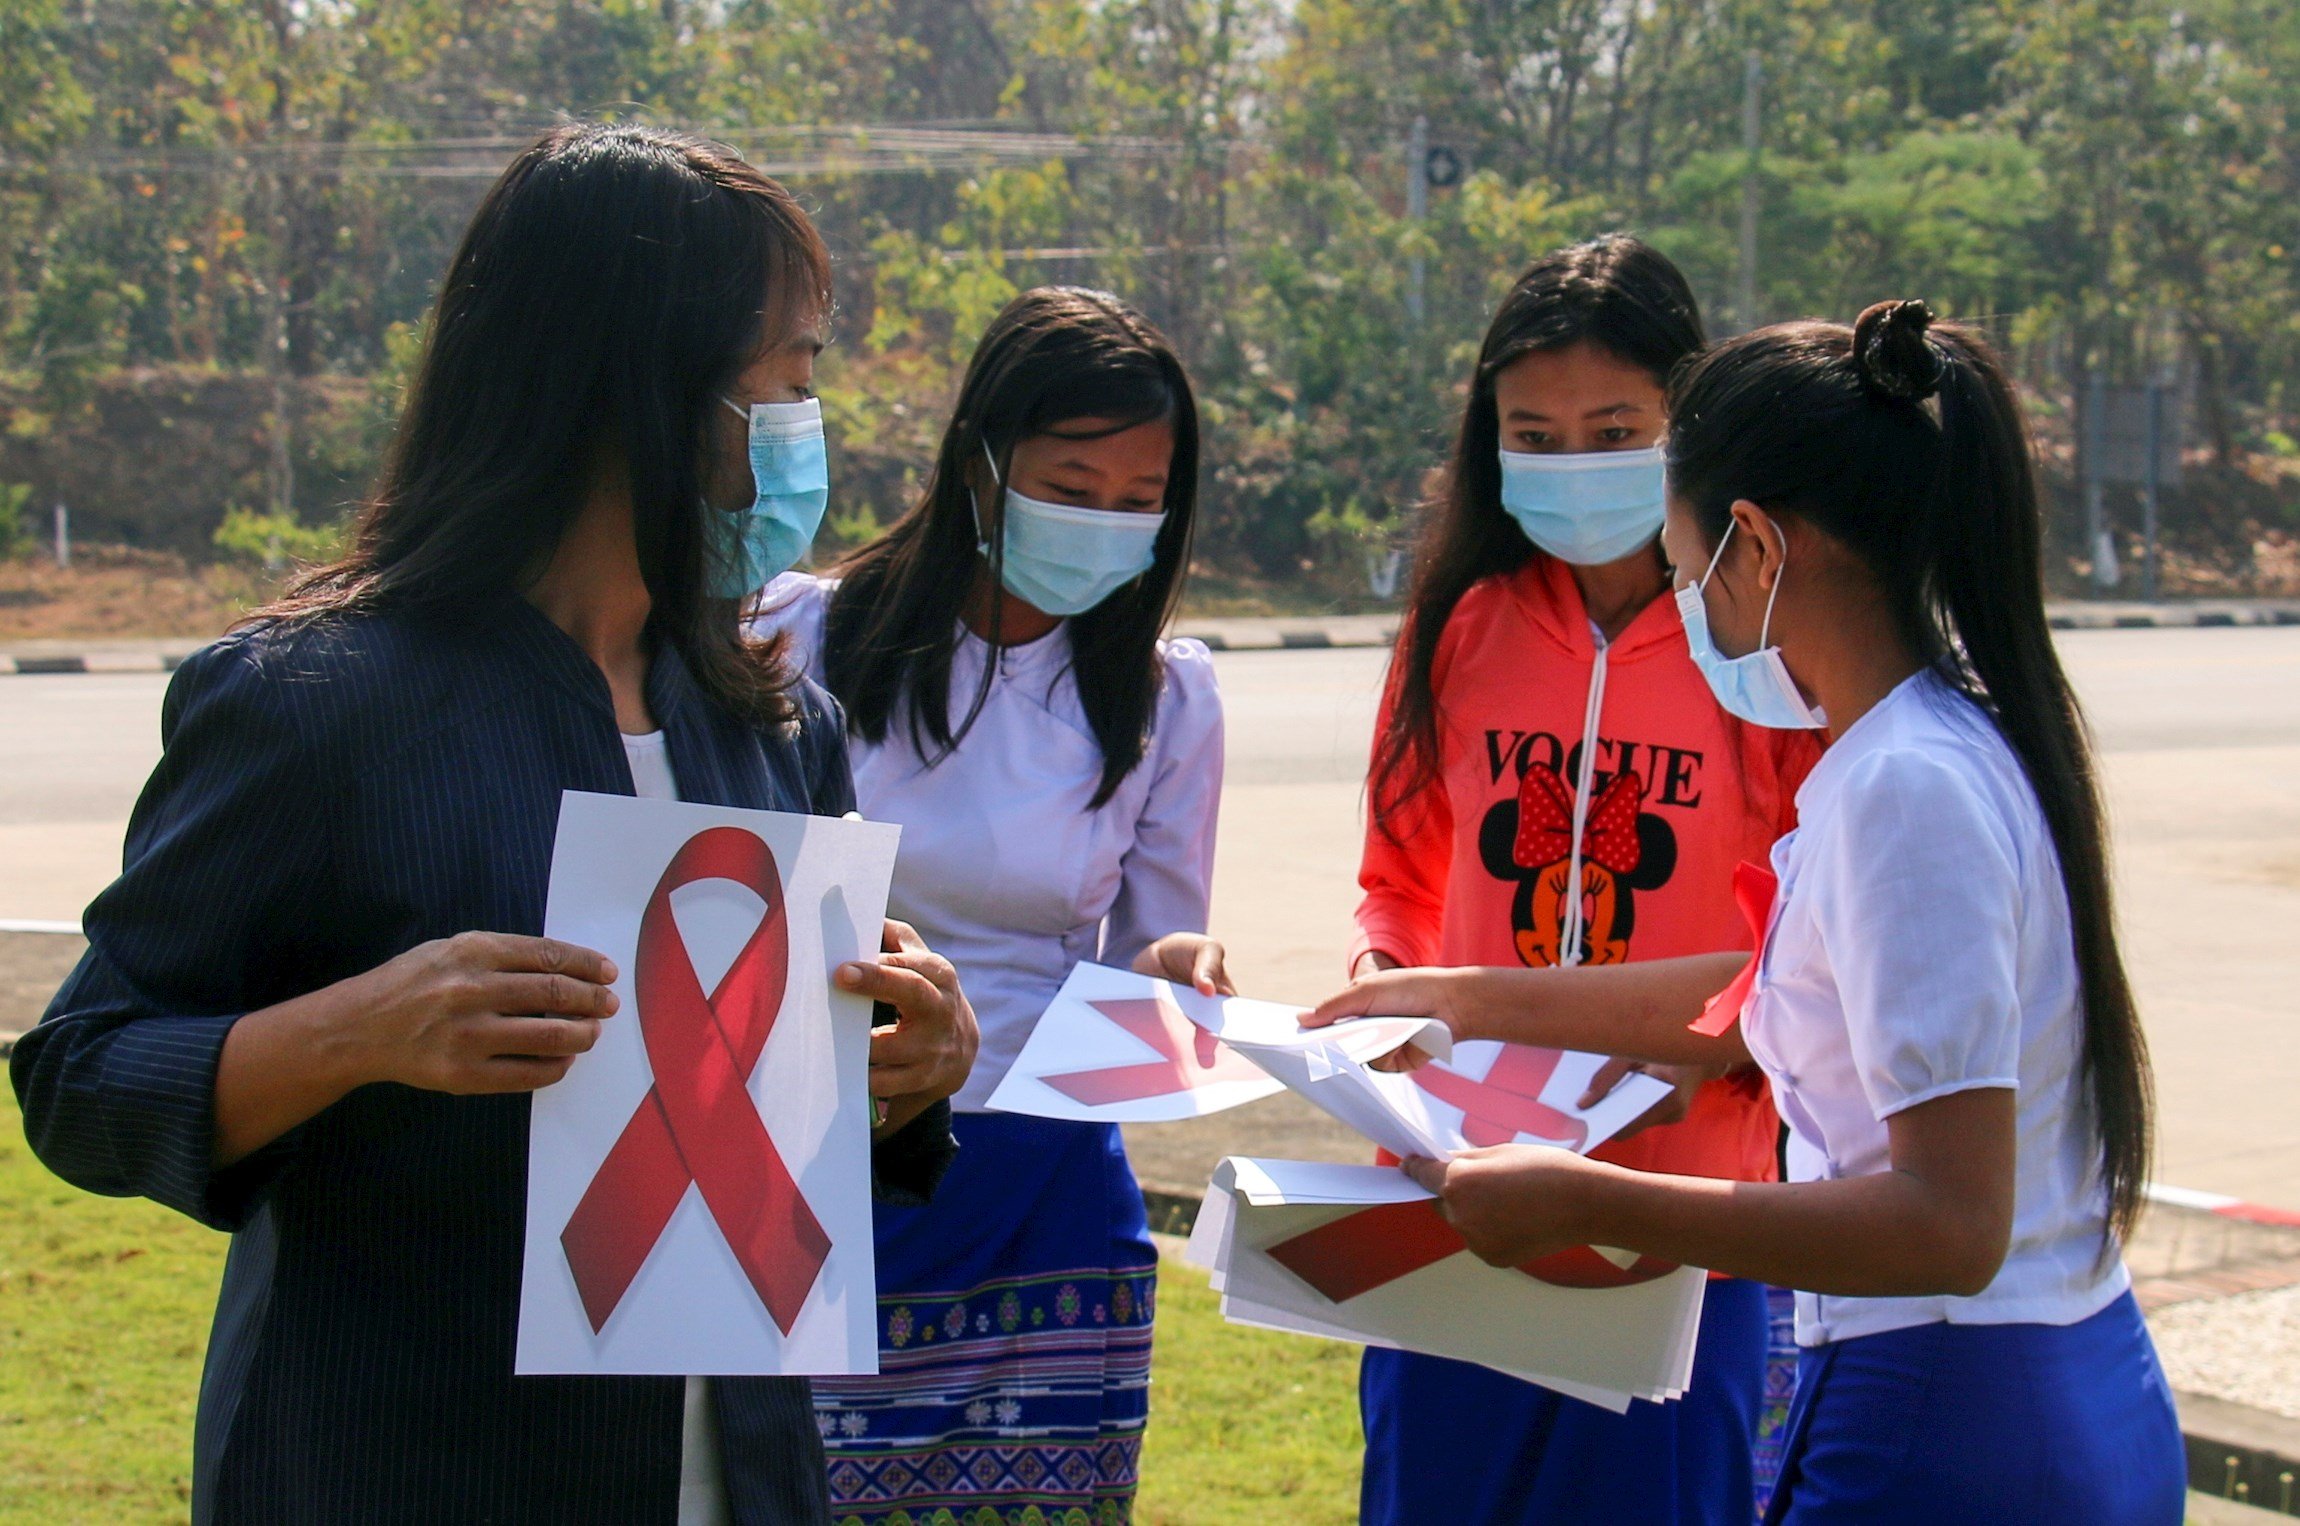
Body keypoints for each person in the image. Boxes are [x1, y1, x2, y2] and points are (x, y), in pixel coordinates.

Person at [9, 124, 979, 1526]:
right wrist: (358, 1029)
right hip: (400, 1465)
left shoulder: (773, 722)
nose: (807, 425)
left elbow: (781, 1149)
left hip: (742, 1480)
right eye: (789, 376)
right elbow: (82, 1078)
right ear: (637, 386)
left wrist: (908, 1068)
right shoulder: (316, 702)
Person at [1313, 300, 2185, 1525]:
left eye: (1681, 568)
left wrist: (1587, 1197)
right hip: (2021, 1381)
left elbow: (1948, 1222)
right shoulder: (1925, 741)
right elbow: (1757, 986)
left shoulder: (1900, 788)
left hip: (1950, 1403)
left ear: (1758, 552)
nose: (1678, 602)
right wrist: (1451, 992)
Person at [1348, 233, 1818, 1524]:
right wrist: (1383, 980)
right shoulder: (1460, 620)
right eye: (1534, 436)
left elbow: (1801, 943)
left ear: (1690, 417)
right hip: (1459, 1200)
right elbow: (1396, 872)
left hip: (1681, 1224)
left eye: (1615, 428)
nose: (1574, 465)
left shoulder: (1762, 647)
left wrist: (1721, 1044)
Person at [754, 285, 1225, 1526]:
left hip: (1050, 1195)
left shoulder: (1166, 698)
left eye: (1138, 503)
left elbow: (1146, 970)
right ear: (978, 464)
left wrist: (1175, 965)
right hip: (822, 1166)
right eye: (1071, 486)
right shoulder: (800, 635)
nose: (1106, 526)